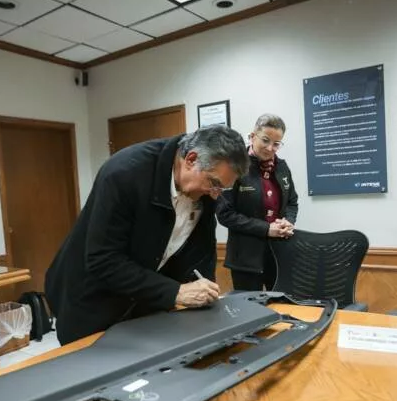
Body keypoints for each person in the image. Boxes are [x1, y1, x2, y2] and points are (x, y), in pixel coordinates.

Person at [45, 124, 249, 345]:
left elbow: (201, 251)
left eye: (222, 189)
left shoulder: (205, 191)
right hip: (90, 299)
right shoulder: (124, 173)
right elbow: (103, 259)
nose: (216, 195)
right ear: (191, 159)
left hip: (145, 298)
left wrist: (205, 299)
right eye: (214, 183)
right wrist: (175, 292)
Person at [217, 114, 298, 291]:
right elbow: (225, 214)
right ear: (252, 136)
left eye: (276, 144)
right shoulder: (234, 167)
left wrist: (288, 221)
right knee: (249, 306)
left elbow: (292, 202)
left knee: (280, 304)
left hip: (278, 255)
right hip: (245, 259)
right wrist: (266, 229)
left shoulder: (282, 167)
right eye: (265, 140)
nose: (270, 148)